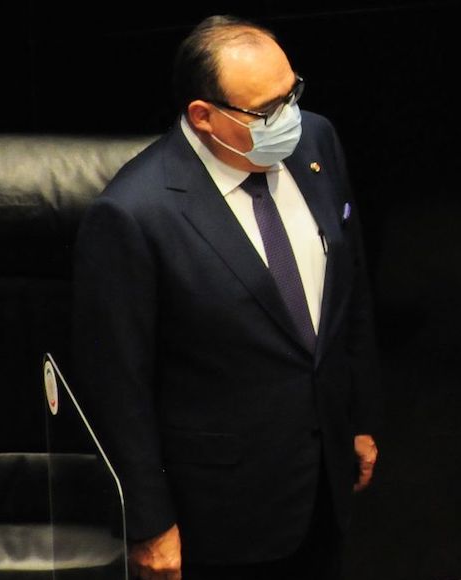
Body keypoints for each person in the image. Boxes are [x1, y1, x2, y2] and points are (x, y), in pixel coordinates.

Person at [70, 15, 380, 580]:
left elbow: (348, 288)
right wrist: (148, 523)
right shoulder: (134, 214)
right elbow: (117, 388)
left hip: (322, 481)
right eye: (267, 110)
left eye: (292, 94)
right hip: (221, 513)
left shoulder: (317, 140)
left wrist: (357, 418)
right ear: (203, 116)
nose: (289, 118)